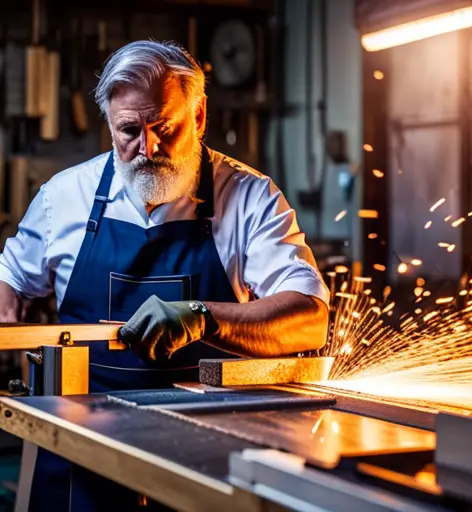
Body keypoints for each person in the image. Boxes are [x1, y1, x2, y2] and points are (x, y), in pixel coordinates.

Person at [0, 40, 329, 510]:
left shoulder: (250, 199)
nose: (147, 148)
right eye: (128, 130)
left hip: (207, 458)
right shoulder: (64, 198)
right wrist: (8, 325)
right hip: (79, 451)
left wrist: (203, 316)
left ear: (198, 116)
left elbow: (309, 317)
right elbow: (8, 275)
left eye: (164, 127)